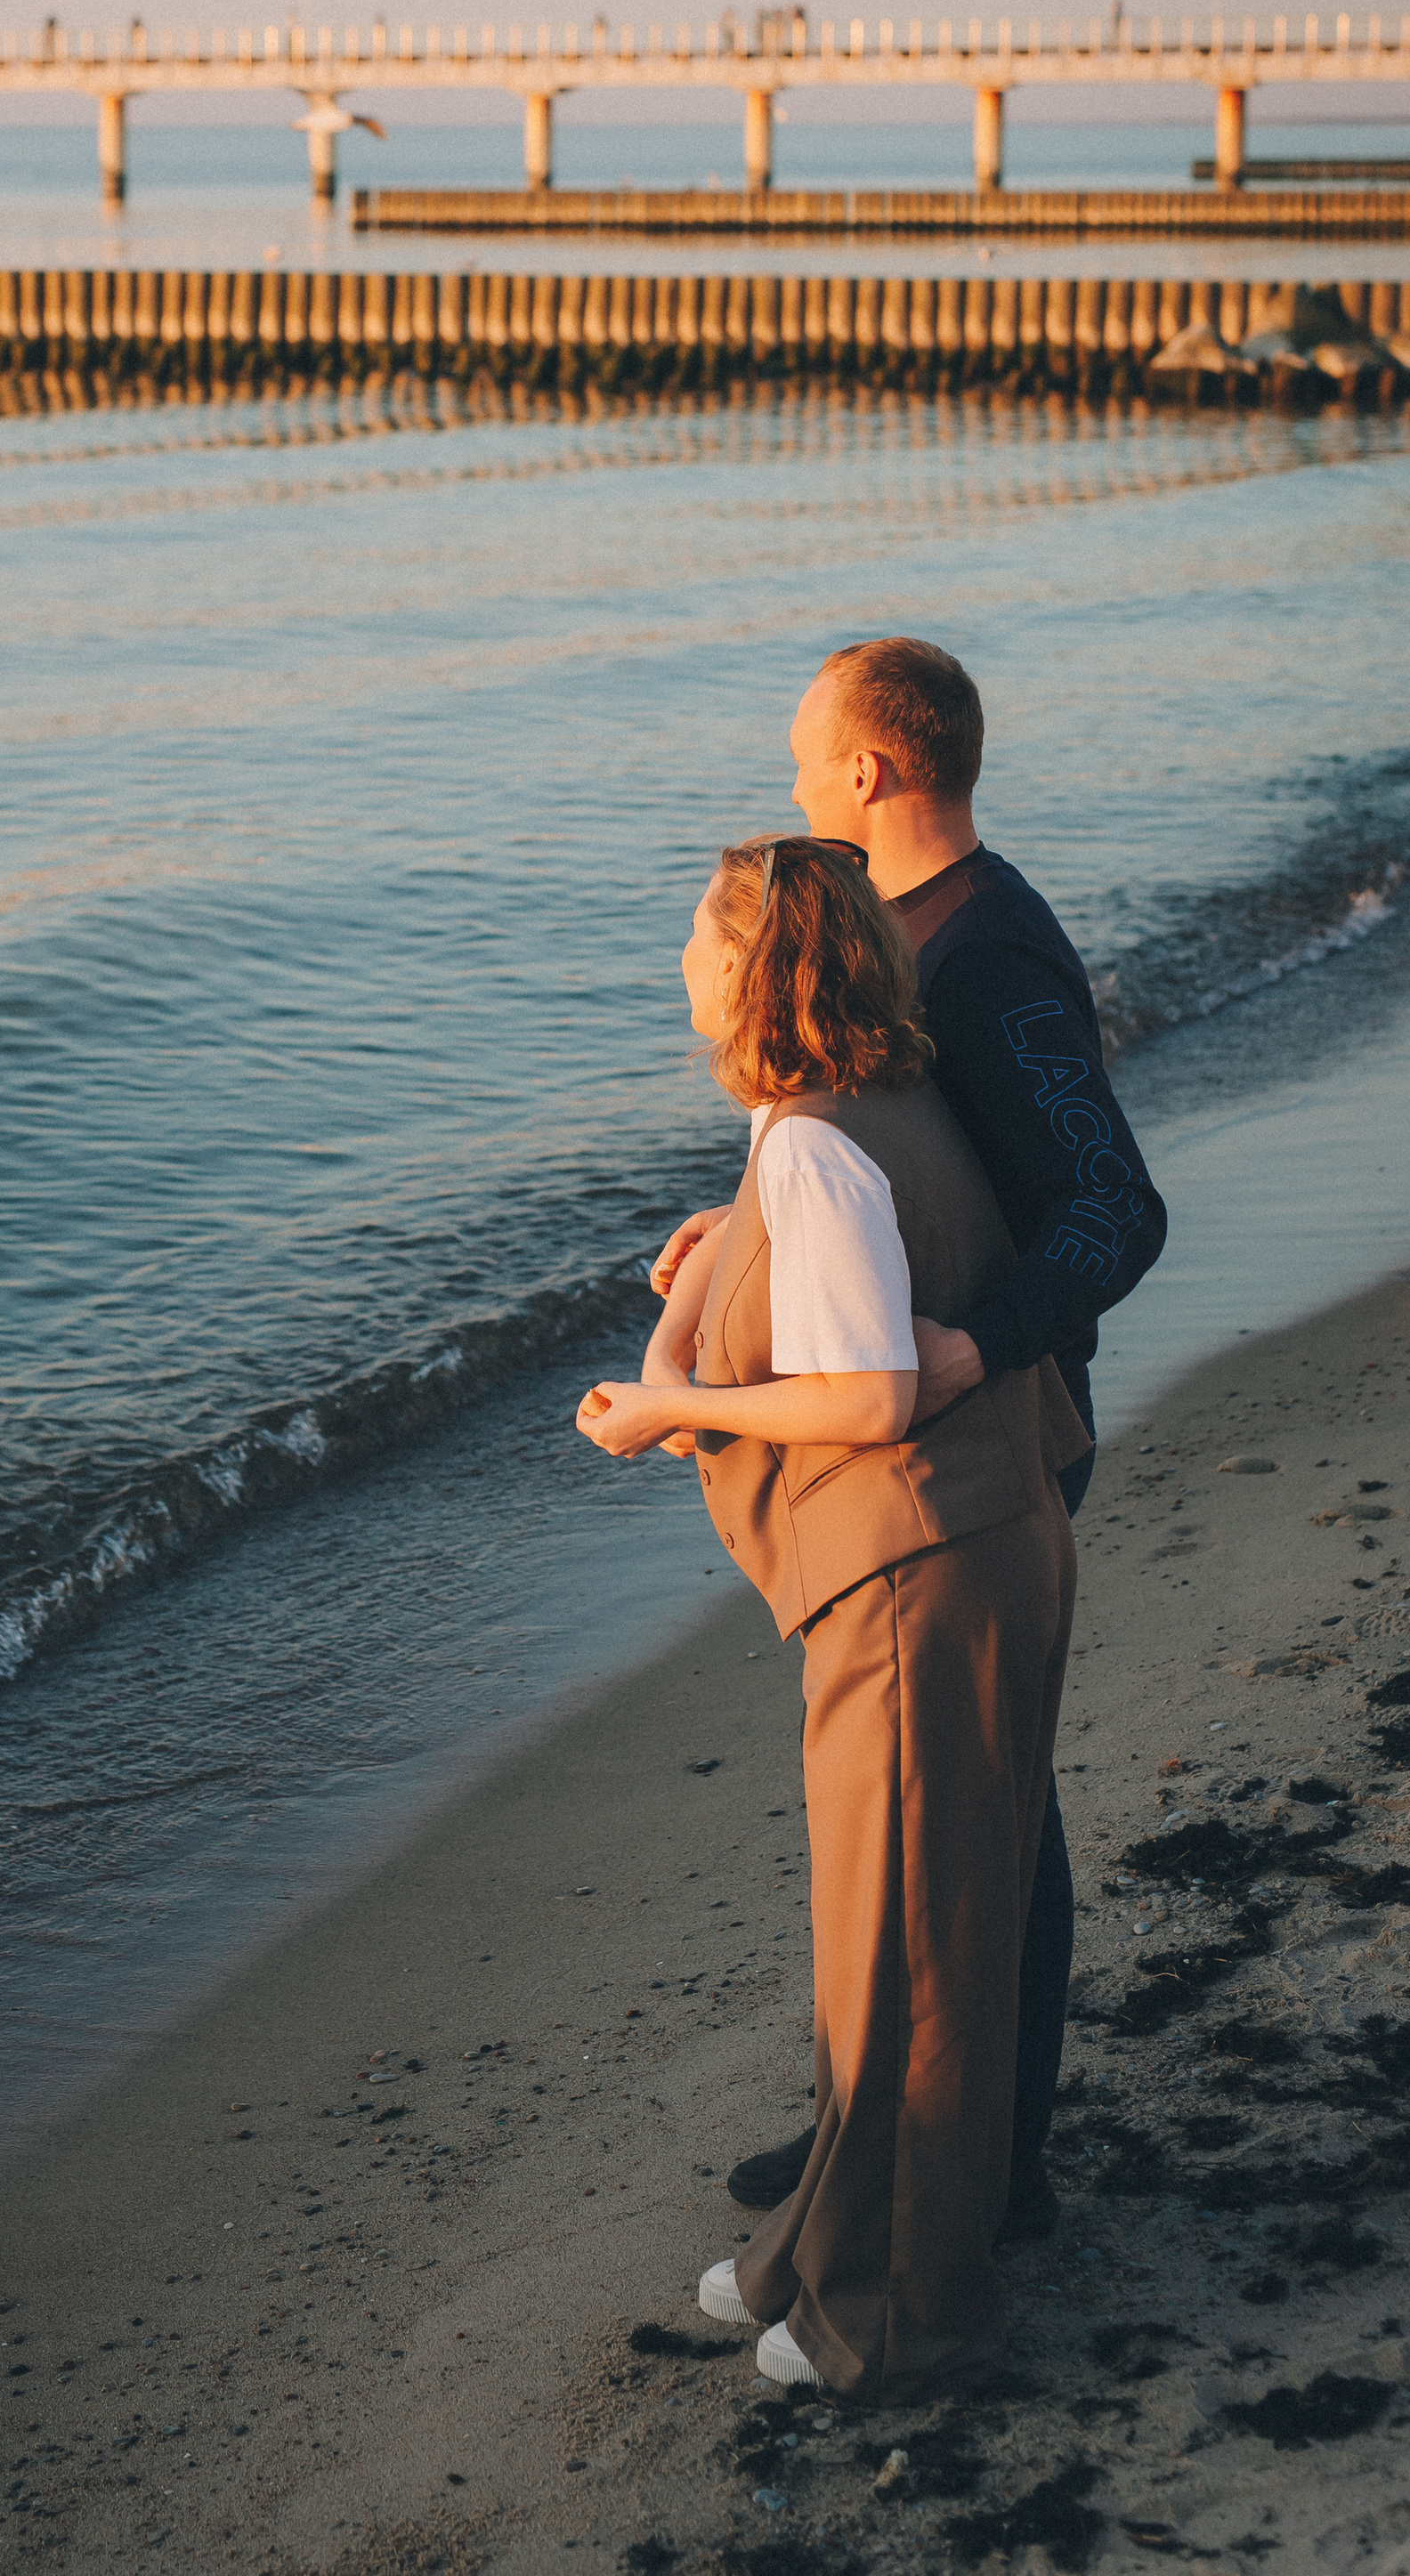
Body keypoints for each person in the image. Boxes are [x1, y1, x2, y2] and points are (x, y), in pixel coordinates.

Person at [652, 639, 1164, 2236]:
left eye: (808, 757)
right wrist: (750, 1231)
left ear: (869, 771)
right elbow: (898, 1161)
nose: (798, 780)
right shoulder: (902, 931)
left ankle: (988, 2165)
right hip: (931, 1440)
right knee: (936, 1819)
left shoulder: (987, 950)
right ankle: (882, 2136)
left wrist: (976, 1345)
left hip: (986, 1442)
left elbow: (1115, 1206)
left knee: (987, 1820)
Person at [579, 836, 1089, 2399]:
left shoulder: (813, 1146)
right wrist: (698, 1305)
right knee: (893, 1944)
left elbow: (866, 1392)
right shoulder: (868, 1099)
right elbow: (803, 1245)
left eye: (697, 934)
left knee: (915, 1963)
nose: (680, 959)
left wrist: (676, 1411)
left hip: (921, 1578)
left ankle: (903, 2319)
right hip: (982, 1538)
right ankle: (819, 2250)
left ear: (753, 966)